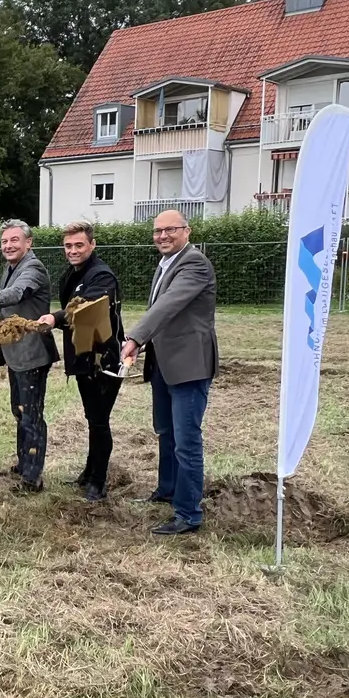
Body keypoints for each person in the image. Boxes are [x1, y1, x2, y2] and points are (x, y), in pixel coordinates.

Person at [121, 209, 218, 535]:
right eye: (157, 231)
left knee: (186, 441)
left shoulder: (194, 263)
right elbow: (162, 312)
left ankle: (188, 514)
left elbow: (169, 305)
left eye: (170, 230)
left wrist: (135, 336)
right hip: (164, 363)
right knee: (166, 432)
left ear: (186, 231)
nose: (162, 236)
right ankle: (166, 490)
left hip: (189, 366)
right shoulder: (166, 263)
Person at [38, 220, 125, 502]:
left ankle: (98, 483)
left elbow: (86, 307)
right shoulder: (72, 274)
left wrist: (55, 317)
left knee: (99, 420)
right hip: (83, 357)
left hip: (103, 359)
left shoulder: (102, 276)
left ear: (92, 245)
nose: (73, 250)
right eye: (68, 246)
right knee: (92, 417)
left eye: (79, 245)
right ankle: (90, 472)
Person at [0, 220, 58, 493]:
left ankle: (33, 478)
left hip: (32, 353)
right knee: (19, 411)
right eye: (4, 242)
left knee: (31, 415)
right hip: (15, 353)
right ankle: (24, 463)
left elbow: (18, 293)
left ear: (28, 243)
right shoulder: (11, 267)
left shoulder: (33, 268)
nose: (8, 245)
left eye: (14, 240)